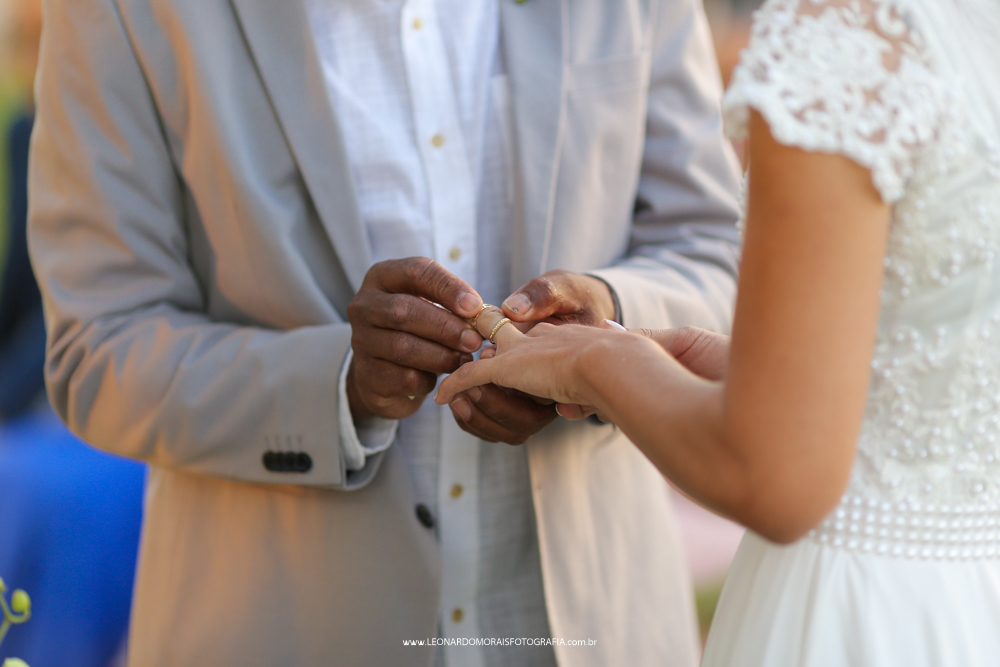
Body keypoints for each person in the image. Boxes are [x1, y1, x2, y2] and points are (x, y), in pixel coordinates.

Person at [28, 0, 742, 665]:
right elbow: (96, 347)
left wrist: (606, 337)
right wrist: (337, 384)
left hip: (600, 627)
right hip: (279, 630)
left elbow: (717, 253)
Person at [438, 0, 1000, 664]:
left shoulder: (839, 35)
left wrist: (594, 362)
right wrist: (724, 363)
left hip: (858, 609)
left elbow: (772, 476)